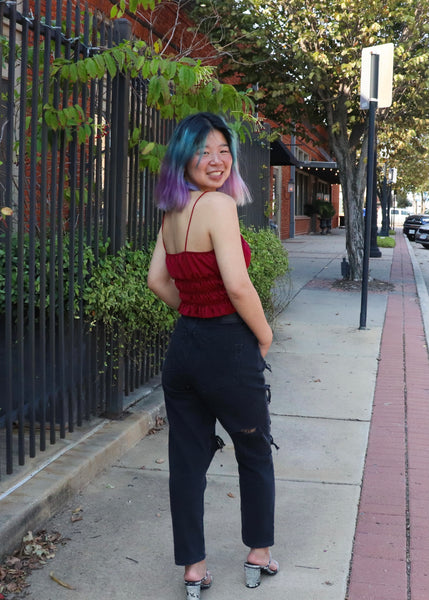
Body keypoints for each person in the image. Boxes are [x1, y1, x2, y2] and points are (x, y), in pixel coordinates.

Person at [147, 112, 278, 599]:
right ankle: (259, 552)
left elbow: (156, 281)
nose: (217, 160)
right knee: (253, 448)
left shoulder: (172, 212)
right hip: (227, 346)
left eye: (224, 150)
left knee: (186, 460)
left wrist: (196, 310)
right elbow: (238, 286)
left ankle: (194, 569)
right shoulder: (219, 208)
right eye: (204, 151)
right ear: (184, 156)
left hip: (184, 349)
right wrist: (262, 337)